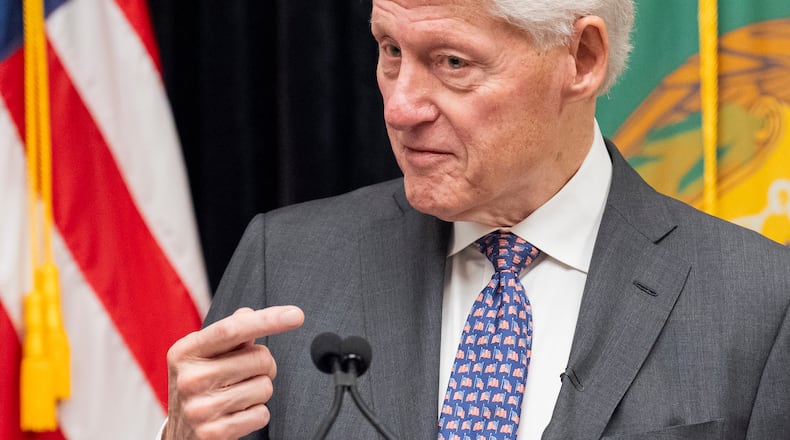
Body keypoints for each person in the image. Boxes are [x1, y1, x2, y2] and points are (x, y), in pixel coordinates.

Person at [162, 0, 790, 438]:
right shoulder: (287, 261)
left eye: (452, 62)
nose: (401, 107)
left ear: (582, 58)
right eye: (389, 50)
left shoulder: (759, 301)